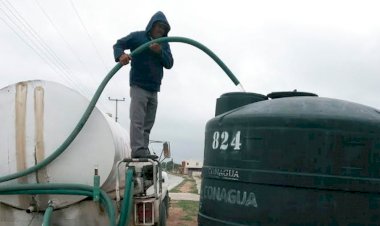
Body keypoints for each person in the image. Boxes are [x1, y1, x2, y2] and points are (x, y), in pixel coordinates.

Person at [113, 11, 174, 159]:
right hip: (139, 86)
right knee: (138, 120)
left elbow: (169, 63)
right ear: (152, 26)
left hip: (154, 89)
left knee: (148, 123)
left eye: (164, 28)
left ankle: (143, 150)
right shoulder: (138, 37)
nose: (161, 30)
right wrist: (121, 55)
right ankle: (137, 149)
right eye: (159, 26)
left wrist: (160, 52)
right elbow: (119, 44)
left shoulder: (164, 44)